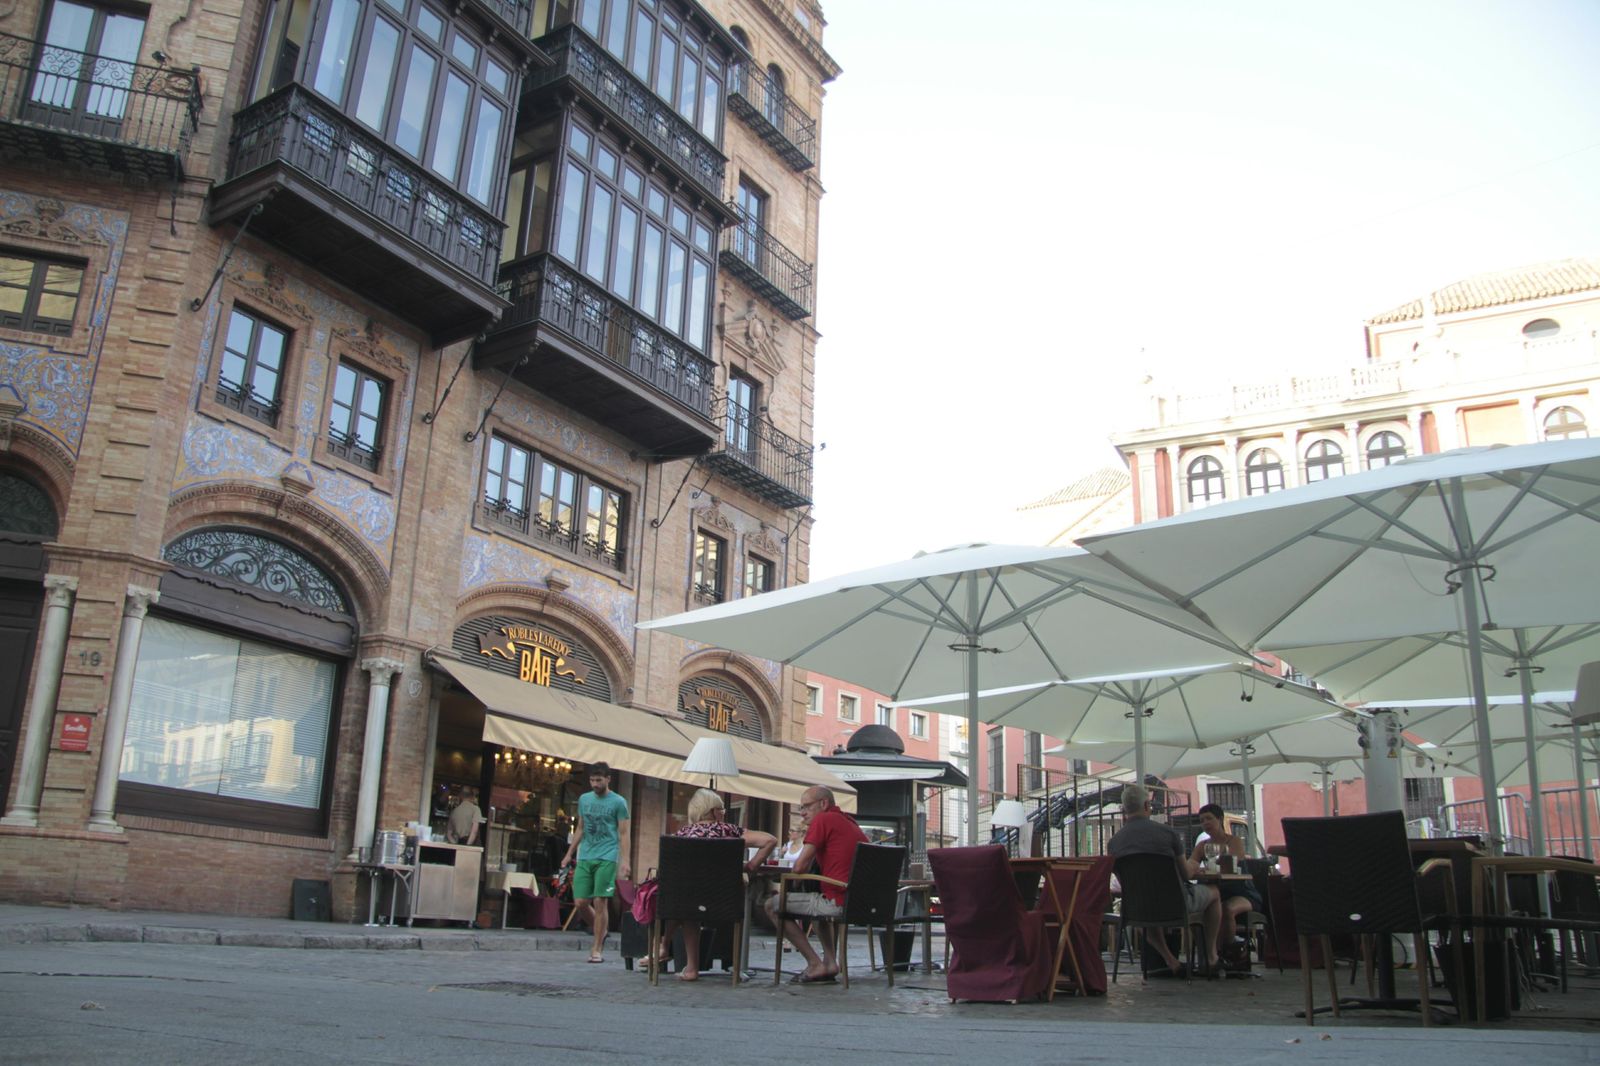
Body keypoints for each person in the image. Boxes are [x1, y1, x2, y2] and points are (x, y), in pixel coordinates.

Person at [655, 788, 777, 981]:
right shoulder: (730, 831)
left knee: (690, 915)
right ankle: (736, 968)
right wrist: (751, 866)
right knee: (724, 905)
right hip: (726, 900)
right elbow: (770, 840)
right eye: (721, 809)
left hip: (689, 902)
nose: (723, 813)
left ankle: (691, 967)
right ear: (712, 811)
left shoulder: (683, 834)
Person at [1107, 783, 1222, 977]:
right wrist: (1193, 865)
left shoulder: (1114, 843)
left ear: (1124, 809)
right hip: (1175, 903)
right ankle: (1211, 957)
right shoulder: (1167, 834)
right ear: (1146, 805)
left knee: (1145, 912)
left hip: (1136, 907)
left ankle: (1171, 960)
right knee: (1215, 893)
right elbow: (1185, 874)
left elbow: (1124, 880)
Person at [765, 786, 866, 983]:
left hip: (838, 900)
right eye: (801, 808)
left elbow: (800, 866)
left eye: (806, 807)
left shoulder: (823, 819)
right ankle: (829, 963)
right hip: (857, 901)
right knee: (817, 897)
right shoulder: (849, 822)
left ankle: (814, 963)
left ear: (823, 804)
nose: (802, 813)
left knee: (772, 906)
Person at [560, 763, 630, 964]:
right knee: (581, 902)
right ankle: (602, 930)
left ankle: (596, 948)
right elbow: (580, 828)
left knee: (600, 901)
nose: (595, 784)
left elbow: (624, 833)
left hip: (607, 856)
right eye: (592, 780)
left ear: (608, 779)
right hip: (585, 856)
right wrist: (569, 854)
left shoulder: (619, 802)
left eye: (599, 780)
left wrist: (625, 861)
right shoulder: (584, 799)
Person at [1189, 802, 1263, 962]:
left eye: (1209, 818)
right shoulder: (1202, 846)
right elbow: (1191, 865)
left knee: (1227, 908)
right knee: (1198, 911)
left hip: (1242, 892)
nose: (1205, 823)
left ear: (1220, 819)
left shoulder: (1233, 841)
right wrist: (1193, 867)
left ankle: (1228, 952)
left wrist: (1207, 867)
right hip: (1217, 892)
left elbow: (1231, 864)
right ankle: (1210, 954)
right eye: (1202, 820)